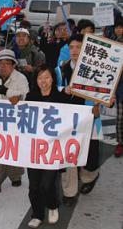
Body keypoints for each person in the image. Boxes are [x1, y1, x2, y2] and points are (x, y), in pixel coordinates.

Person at [56, 34, 101, 206]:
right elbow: (54, 89)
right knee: (68, 155)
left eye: (78, 47)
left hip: (89, 117)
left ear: (85, 49)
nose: (74, 51)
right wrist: (64, 90)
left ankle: (90, 175)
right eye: (72, 47)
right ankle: (69, 193)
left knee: (89, 157)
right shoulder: (61, 69)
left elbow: (103, 93)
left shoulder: (95, 69)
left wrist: (101, 104)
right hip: (68, 118)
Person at [0, 49, 29, 195]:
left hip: (15, 119)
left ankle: (15, 175)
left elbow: (24, 96)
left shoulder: (21, 78)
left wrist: (6, 90)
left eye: (7, 63)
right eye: (0, 63)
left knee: (12, 148)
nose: (3, 66)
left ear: (13, 65)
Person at [26, 65, 65, 228]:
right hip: (34, 148)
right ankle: (37, 213)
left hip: (53, 148)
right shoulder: (30, 96)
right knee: (34, 185)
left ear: (53, 78)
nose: (43, 81)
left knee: (47, 184)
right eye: (40, 77)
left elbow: (76, 113)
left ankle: (53, 205)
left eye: (47, 77)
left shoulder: (60, 96)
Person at [108, 18, 123, 157]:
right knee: (120, 118)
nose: (119, 30)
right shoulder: (112, 41)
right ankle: (120, 143)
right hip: (119, 86)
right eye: (116, 27)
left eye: (121, 27)